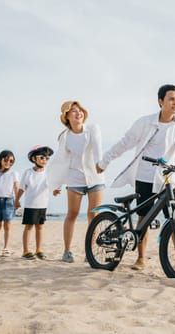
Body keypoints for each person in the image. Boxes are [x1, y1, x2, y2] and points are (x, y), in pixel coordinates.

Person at [96, 84, 175, 271]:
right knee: (144, 217)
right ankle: (141, 258)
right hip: (145, 175)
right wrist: (104, 162)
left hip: (167, 177)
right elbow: (125, 143)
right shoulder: (144, 123)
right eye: (171, 99)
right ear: (161, 102)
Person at [46, 100, 105, 263]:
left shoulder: (93, 129)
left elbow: (98, 147)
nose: (78, 113)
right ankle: (67, 251)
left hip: (95, 177)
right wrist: (57, 184)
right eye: (73, 111)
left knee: (93, 215)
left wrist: (100, 163)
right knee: (72, 214)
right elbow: (61, 161)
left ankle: (90, 251)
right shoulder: (65, 137)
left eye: (79, 110)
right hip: (75, 178)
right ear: (66, 116)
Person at [14, 145, 54, 260]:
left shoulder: (48, 173)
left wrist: (55, 190)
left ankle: (38, 250)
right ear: (33, 158)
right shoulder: (28, 173)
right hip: (30, 205)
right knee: (29, 227)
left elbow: (51, 185)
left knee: (40, 227)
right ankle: (26, 251)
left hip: (43, 204)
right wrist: (17, 200)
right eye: (42, 157)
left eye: (47, 158)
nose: (44, 160)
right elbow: (21, 188)